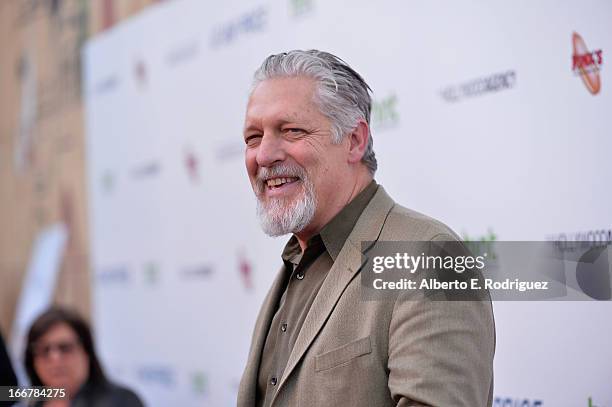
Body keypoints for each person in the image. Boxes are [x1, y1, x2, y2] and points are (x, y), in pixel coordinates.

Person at [238, 50, 495, 406]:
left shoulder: (430, 256)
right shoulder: (297, 260)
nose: (264, 155)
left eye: (292, 130)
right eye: (253, 137)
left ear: (355, 141)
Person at [24, 307, 144, 407]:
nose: (55, 359)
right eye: (44, 350)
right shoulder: (28, 400)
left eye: (65, 348)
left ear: (86, 353)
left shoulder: (122, 401)